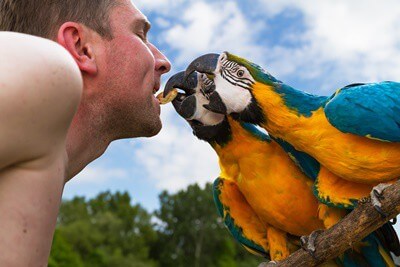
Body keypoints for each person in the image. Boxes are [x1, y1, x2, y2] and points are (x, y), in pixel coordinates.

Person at [0, 0, 171, 265]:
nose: (164, 62)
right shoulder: (46, 70)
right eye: (140, 34)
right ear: (82, 47)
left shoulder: (26, 181)